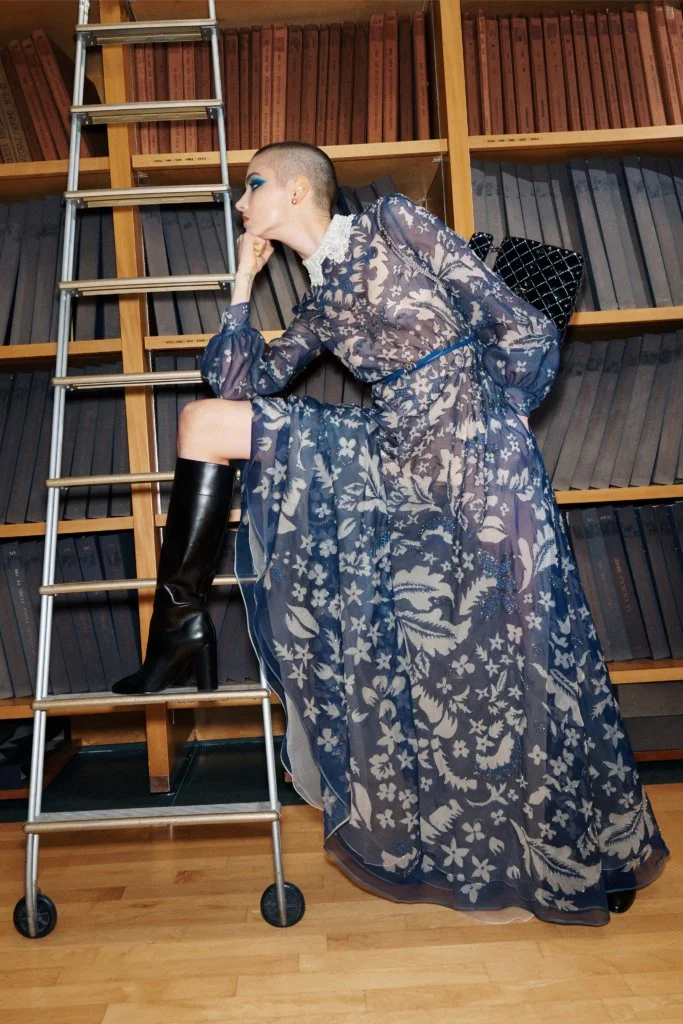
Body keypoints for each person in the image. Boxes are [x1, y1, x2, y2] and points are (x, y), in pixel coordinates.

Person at [113, 141, 668, 926]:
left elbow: (512, 319)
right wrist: (241, 283)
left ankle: (589, 853)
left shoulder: (392, 223)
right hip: (390, 458)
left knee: (529, 653)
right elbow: (239, 381)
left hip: (479, 459)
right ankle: (178, 627)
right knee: (205, 420)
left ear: (298, 189)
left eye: (253, 185)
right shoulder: (319, 301)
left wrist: (498, 417)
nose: (240, 203)